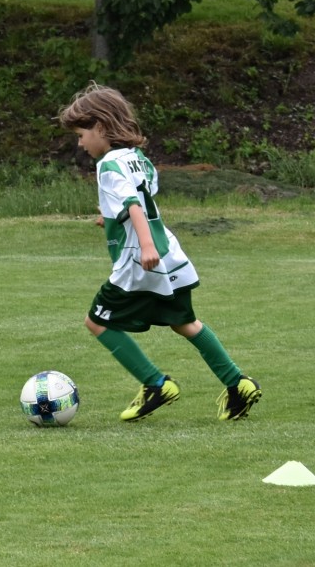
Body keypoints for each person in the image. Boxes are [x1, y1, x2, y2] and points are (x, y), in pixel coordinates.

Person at [58, 82, 262, 422]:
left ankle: (156, 384)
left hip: (140, 261)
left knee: (96, 321)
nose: (80, 143)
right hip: (171, 256)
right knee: (185, 322)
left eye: (81, 135)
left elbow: (134, 203)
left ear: (101, 127)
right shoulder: (137, 158)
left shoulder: (108, 165)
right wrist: (111, 218)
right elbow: (143, 196)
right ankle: (238, 383)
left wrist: (146, 245)